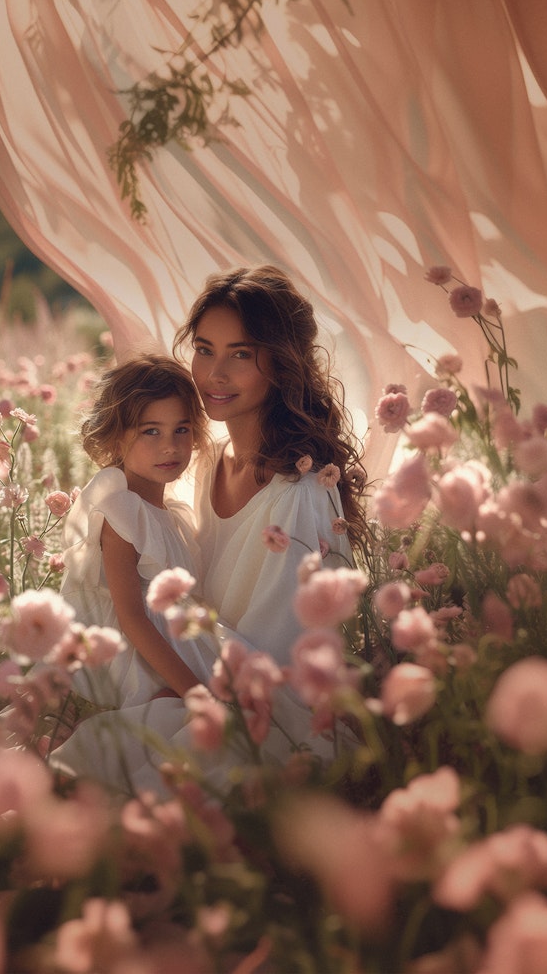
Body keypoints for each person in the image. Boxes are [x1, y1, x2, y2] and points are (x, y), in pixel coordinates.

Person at [173, 263, 366, 668]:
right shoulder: (210, 461)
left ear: (282, 364)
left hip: (265, 703)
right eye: (205, 350)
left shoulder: (300, 491)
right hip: (200, 677)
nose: (214, 374)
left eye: (240, 354)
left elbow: (283, 658)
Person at [58, 354, 215, 709]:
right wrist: (194, 692)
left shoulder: (171, 514)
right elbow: (131, 617)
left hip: (172, 642)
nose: (170, 446)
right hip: (132, 658)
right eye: (151, 431)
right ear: (116, 439)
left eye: (182, 429)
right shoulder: (122, 509)